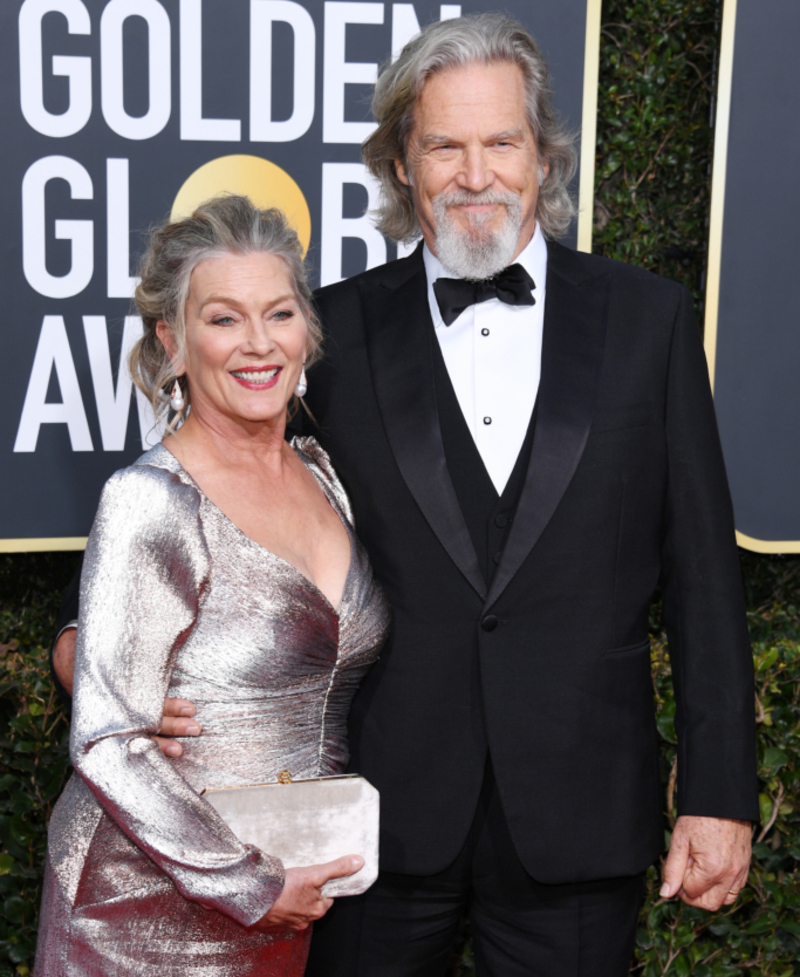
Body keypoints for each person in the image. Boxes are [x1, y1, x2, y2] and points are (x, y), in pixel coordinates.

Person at [52, 14, 758, 977]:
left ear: (543, 156)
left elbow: (705, 582)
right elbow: (218, 478)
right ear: (401, 165)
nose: (477, 174)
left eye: (501, 141)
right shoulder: (326, 331)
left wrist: (720, 794)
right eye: (444, 146)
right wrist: (82, 648)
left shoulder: (649, 321)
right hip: (369, 822)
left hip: (581, 809)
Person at [36, 195, 389, 977]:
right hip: (143, 910)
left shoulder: (325, 476)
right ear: (173, 341)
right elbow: (108, 740)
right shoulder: (152, 498)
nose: (259, 343)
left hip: (290, 892)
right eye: (224, 319)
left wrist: (272, 887)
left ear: (308, 330)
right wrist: (249, 883)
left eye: (281, 313)